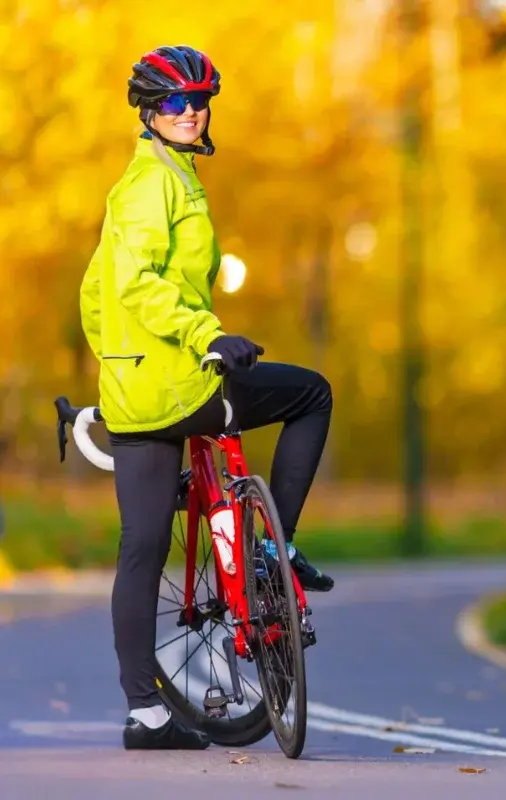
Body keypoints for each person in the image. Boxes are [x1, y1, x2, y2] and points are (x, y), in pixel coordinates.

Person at [79, 45, 336, 751]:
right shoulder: (153, 186)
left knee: (141, 550)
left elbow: (94, 296)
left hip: (135, 397)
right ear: (147, 110)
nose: (188, 112)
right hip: (183, 383)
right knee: (311, 393)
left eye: (198, 100)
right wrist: (206, 335)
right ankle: (271, 550)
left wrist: (114, 375)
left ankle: (147, 714)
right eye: (172, 102)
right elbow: (137, 285)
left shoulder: (145, 179)